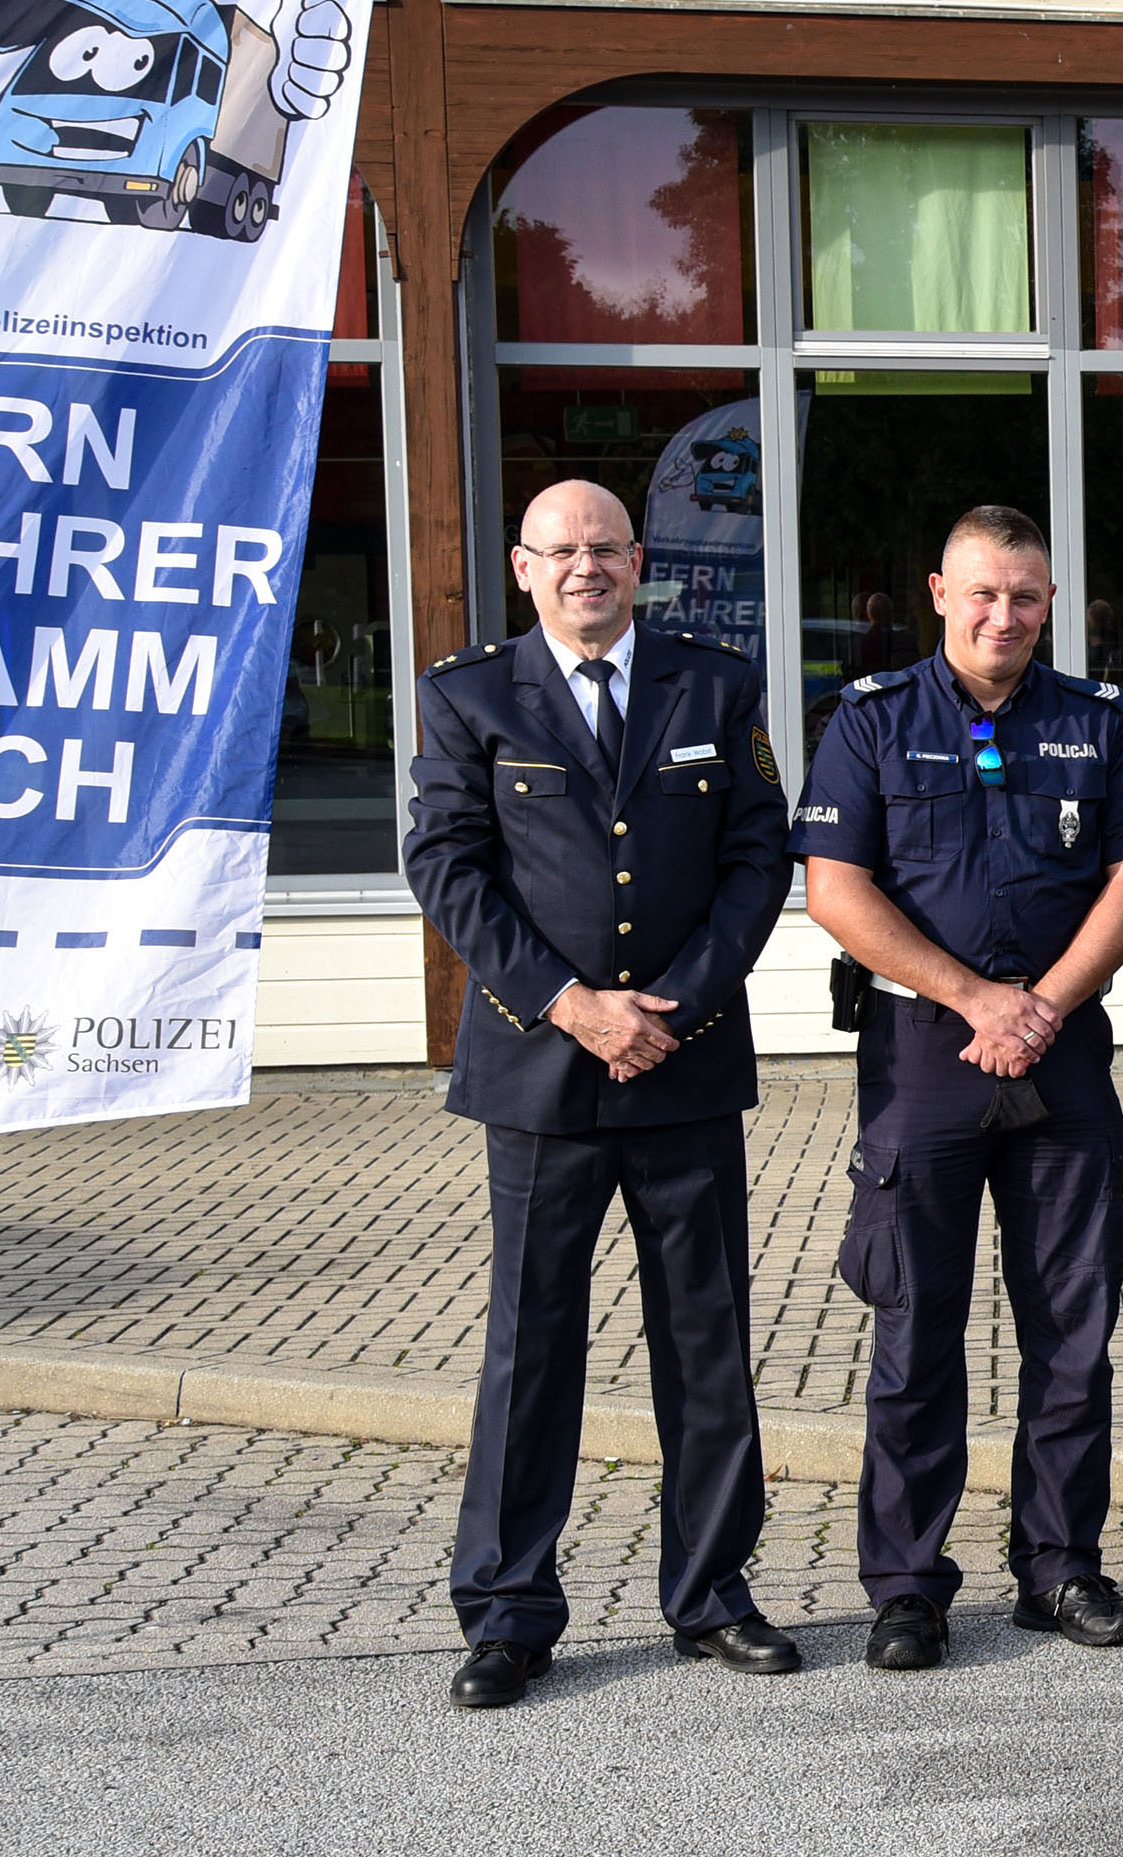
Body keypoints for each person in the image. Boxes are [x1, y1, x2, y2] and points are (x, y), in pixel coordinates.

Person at [405, 478, 797, 1709]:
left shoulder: (715, 685)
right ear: (524, 568)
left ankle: (714, 1593)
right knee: (531, 1351)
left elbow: (756, 854)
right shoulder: (466, 695)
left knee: (707, 1343)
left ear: (642, 563)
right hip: (541, 1076)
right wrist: (572, 1006)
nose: (587, 568)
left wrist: (669, 1003)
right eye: (562, 551)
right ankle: (509, 1612)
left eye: (608, 549)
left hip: (682, 1066)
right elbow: (448, 866)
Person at [800, 506, 1123, 1669]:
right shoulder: (868, 724)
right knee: (916, 1326)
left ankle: (1059, 1567)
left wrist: (1044, 1005)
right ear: (937, 592)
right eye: (981, 593)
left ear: (1050, 601)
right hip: (927, 1054)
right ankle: (908, 1587)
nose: (1002, 615)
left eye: (1025, 595)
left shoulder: (1098, 723)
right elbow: (835, 890)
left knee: (1072, 1325)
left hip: (1060, 1052)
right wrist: (976, 1000)